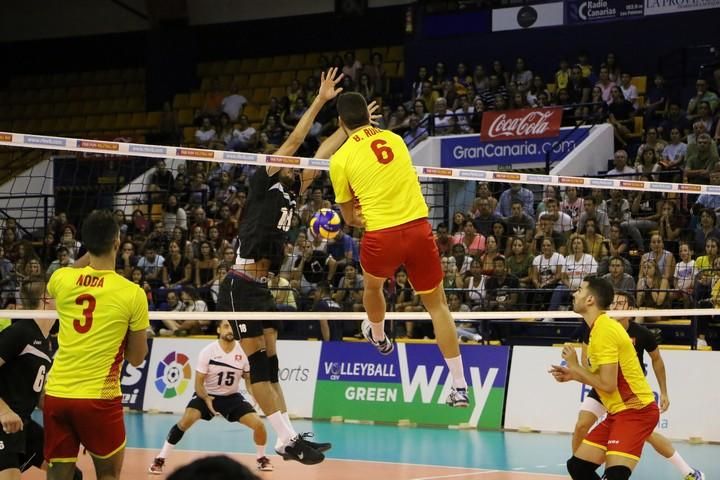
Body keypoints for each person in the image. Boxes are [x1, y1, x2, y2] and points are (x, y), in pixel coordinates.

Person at [216, 69, 344, 465]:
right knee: (257, 366)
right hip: (239, 283)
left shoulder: (293, 188)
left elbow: (321, 154)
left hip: (263, 288)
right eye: (290, 160)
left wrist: (351, 127)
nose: (295, 162)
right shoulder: (265, 178)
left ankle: (288, 435)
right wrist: (321, 100)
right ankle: (285, 438)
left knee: (270, 365)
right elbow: (297, 141)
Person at [324, 92, 469, 407]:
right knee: (438, 307)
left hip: (382, 235)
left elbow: (349, 218)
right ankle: (459, 385)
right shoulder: (396, 139)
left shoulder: (339, 159)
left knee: (373, 286)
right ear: (368, 114)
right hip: (418, 229)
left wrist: (363, 215)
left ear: (340, 122)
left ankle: (377, 332)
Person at [44, 210, 150, 480]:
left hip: (57, 395)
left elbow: (71, 272)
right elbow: (137, 359)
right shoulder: (132, 293)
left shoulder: (61, 280)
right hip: (98, 399)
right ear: (117, 242)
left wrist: (90, 253)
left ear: (85, 246)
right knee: (108, 476)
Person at [572, 291, 705, 480]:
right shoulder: (596, 329)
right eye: (613, 303)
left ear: (631, 310)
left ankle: (688, 472)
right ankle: (583, 469)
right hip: (603, 386)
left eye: (620, 303)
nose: (615, 306)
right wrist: (580, 371)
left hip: (630, 393)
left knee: (647, 435)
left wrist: (664, 392)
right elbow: (587, 362)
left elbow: (657, 360)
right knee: (581, 425)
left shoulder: (641, 333)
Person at [550, 277, 659, 479]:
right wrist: (574, 374)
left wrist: (575, 365)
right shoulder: (597, 329)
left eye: (580, 290)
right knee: (577, 467)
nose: (574, 293)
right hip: (618, 411)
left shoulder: (605, 331)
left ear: (590, 299)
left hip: (637, 410)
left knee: (615, 475)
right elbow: (603, 378)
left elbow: (607, 385)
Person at [149, 320, 272, 474]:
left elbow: (247, 379)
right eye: (226, 326)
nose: (230, 330)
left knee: (259, 425)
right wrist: (206, 398)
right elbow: (198, 384)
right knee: (185, 421)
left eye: (232, 327)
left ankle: (261, 459)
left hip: (231, 397)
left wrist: (254, 394)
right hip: (206, 394)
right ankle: (160, 458)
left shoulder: (242, 352)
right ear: (219, 329)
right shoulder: (208, 351)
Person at [0, 280, 83, 480]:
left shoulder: (44, 340)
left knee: (69, 474)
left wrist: (75, 424)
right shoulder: (19, 332)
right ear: (46, 299)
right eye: (57, 294)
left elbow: (37, 393)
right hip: (3, 422)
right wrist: (4, 411)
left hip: (22, 423)